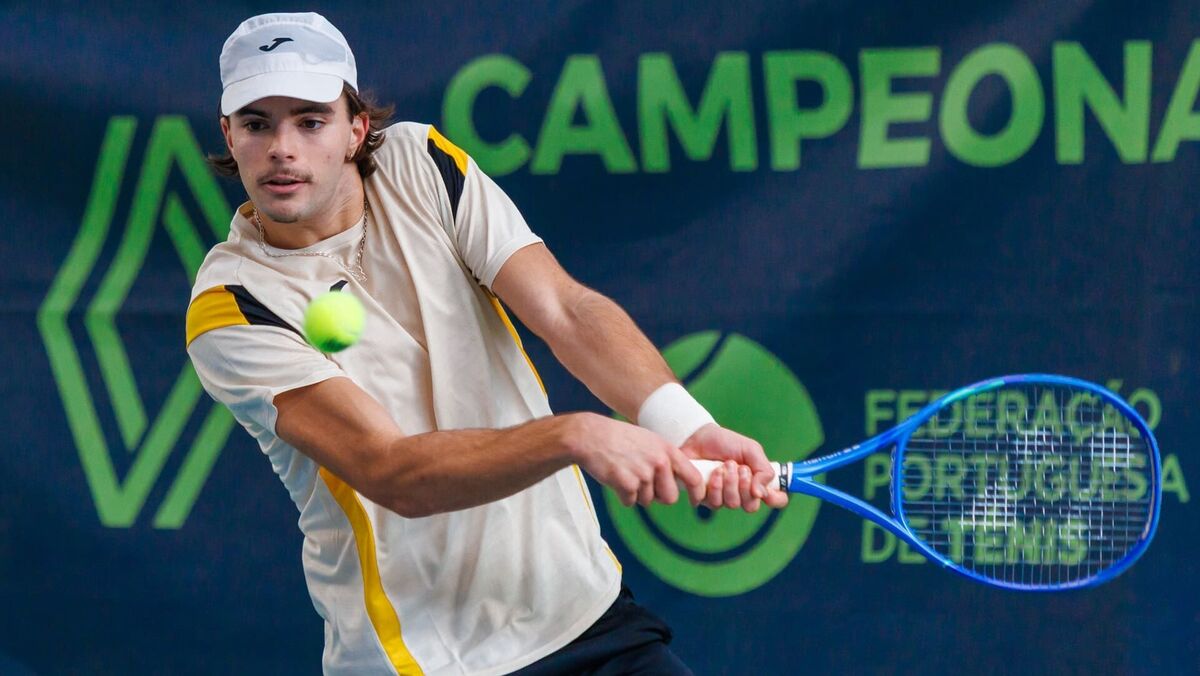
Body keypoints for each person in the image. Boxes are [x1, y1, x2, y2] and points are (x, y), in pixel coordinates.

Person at [186, 12, 788, 676]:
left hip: (581, 610)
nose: (282, 149)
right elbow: (392, 471)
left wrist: (685, 425)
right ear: (229, 135)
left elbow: (564, 310)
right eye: (257, 124)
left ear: (356, 129)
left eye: (310, 121)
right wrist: (575, 434)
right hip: (426, 657)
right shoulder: (232, 303)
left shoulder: (421, 163)